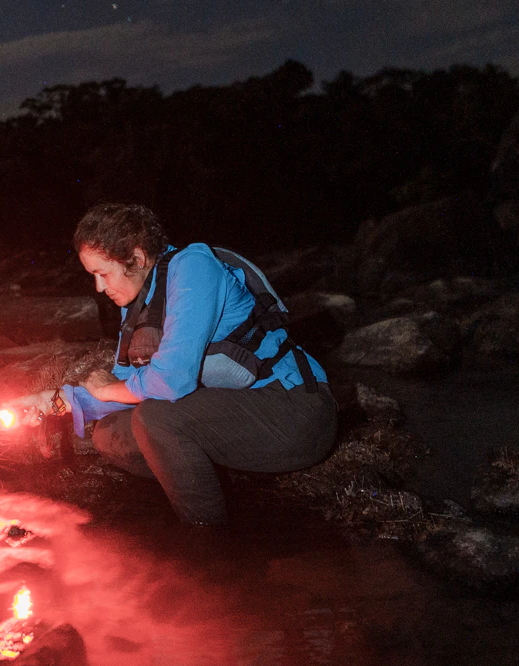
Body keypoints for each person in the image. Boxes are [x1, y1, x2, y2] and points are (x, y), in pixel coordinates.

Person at [63, 202, 336, 526]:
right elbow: (127, 382)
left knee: (155, 419)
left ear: (136, 258)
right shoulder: (136, 300)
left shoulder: (194, 268)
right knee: (109, 434)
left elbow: (171, 381)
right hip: (239, 409)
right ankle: (221, 486)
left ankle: (209, 543)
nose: (99, 287)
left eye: (102, 273)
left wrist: (110, 390)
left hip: (296, 411)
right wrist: (59, 402)